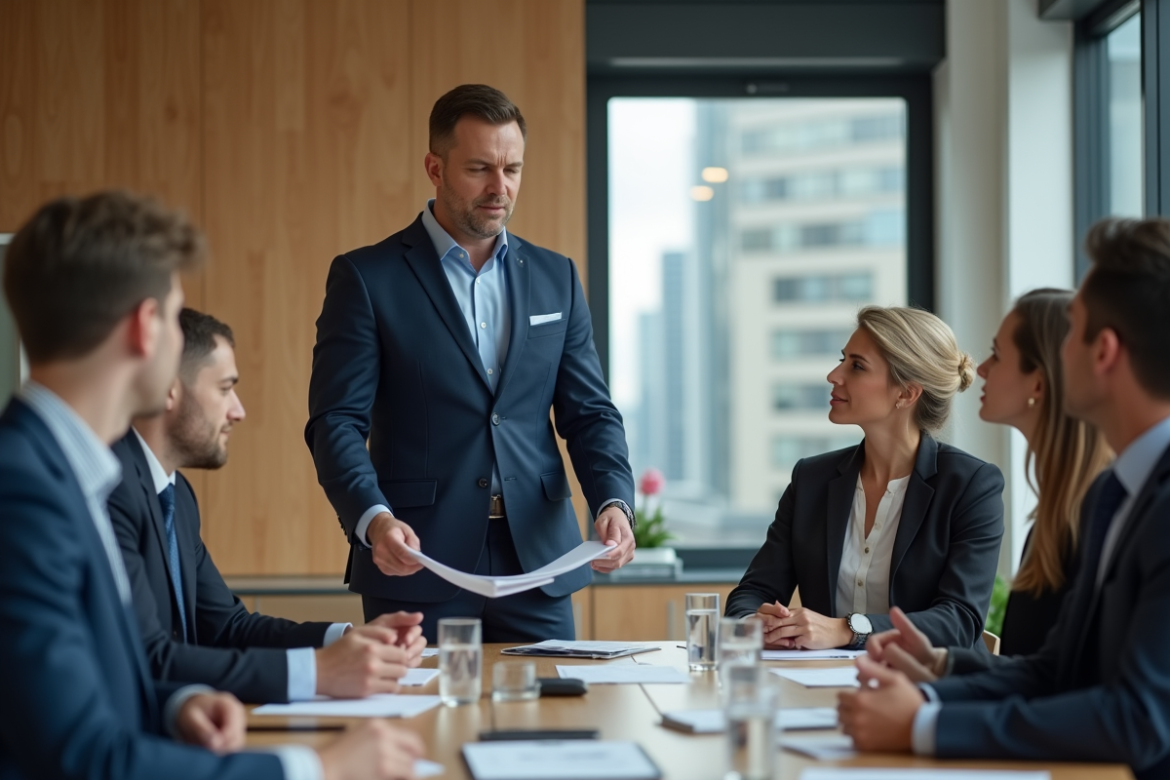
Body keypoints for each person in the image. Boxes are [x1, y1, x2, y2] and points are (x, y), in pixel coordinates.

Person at [0, 191, 424, 780]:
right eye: (174, 317)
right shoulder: (24, 491)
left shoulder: (67, 473)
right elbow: (82, 757)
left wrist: (175, 706)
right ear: (147, 328)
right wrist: (318, 768)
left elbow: (91, 685)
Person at [840, 218, 1170, 780]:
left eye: (1073, 333)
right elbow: (1058, 670)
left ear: (1104, 352)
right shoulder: (1117, 498)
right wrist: (940, 668)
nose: (981, 367)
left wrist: (925, 726)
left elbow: (1140, 720)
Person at [306, 84, 635, 642]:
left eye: (512, 169)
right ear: (434, 167)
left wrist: (613, 499)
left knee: (552, 724)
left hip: (541, 564)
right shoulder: (366, 278)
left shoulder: (557, 276)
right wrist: (373, 519)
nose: (499, 187)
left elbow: (590, 413)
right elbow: (336, 422)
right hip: (416, 561)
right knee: (422, 722)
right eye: (479, 168)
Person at [110, 308, 427, 704]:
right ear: (170, 388)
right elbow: (146, 659)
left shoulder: (177, 495)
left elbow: (226, 628)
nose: (238, 411)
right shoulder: (111, 490)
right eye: (225, 389)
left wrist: (345, 639)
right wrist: (319, 673)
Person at [866, 290, 1111, 682]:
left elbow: (1084, 696)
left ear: (1039, 384)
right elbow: (1037, 673)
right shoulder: (1058, 516)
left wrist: (927, 716)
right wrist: (939, 667)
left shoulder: (1105, 515)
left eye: (998, 354)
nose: (981, 369)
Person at [725, 306, 1004, 651]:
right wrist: (756, 623)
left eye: (856, 366)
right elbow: (753, 592)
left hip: (929, 691)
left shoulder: (972, 485)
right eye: (842, 359)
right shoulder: (811, 479)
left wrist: (849, 630)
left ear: (906, 393)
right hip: (821, 686)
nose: (833, 375)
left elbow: (959, 619)